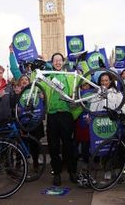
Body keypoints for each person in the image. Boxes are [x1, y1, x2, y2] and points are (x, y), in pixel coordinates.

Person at [44, 52, 77, 186]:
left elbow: (84, 78)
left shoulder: (69, 76)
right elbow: (34, 77)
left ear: (63, 62)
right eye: (55, 60)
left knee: (68, 145)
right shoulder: (47, 77)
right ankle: (56, 173)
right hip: (52, 115)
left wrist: (82, 63)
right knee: (53, 146)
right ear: (52, 63)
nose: (57, 62)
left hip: (66, 115)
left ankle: (72, 172)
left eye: (59, 60)